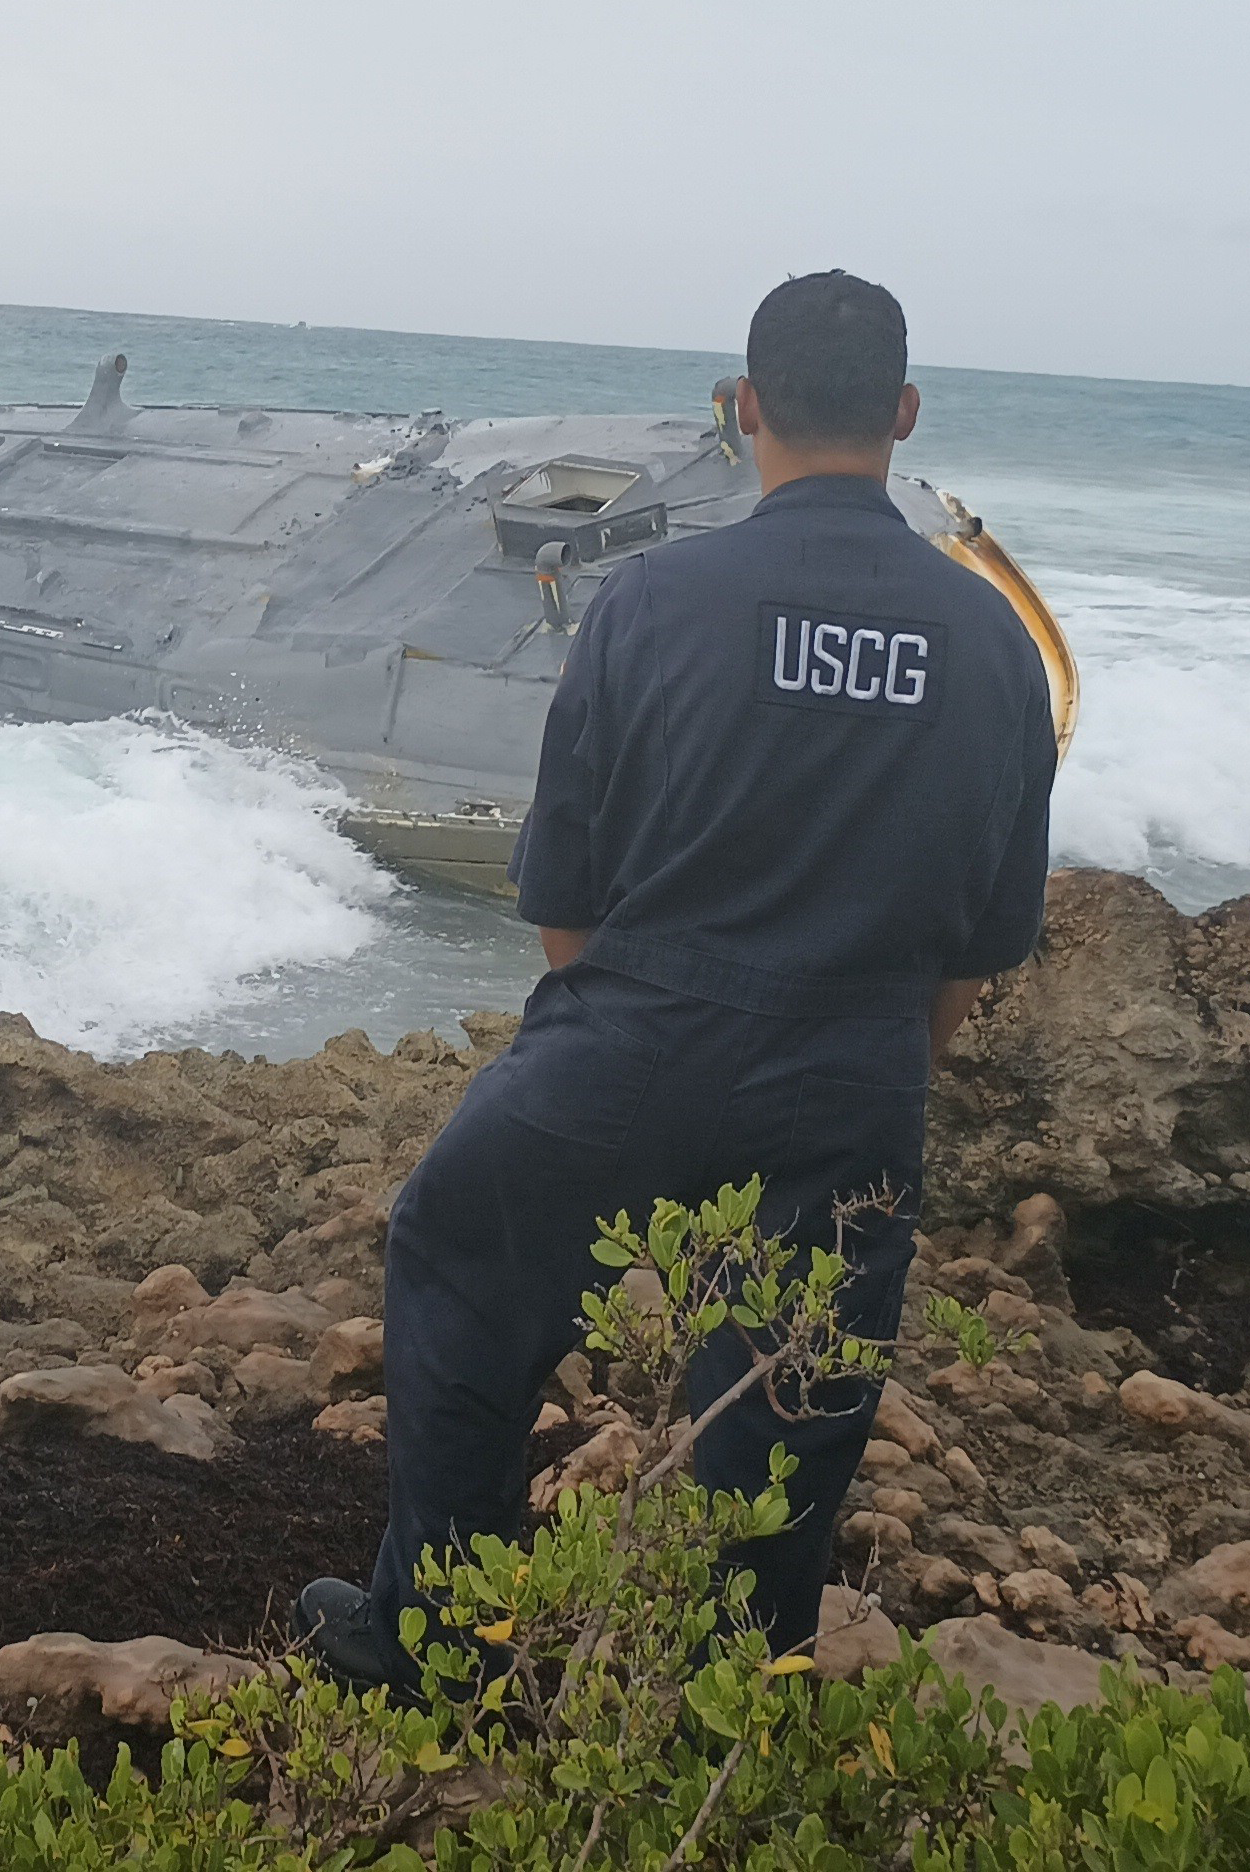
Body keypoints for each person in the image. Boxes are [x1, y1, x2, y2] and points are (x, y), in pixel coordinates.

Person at [297, 269, 1059, 1686]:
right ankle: (720, 1714)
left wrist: (647, 1047)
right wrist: (859, 1062)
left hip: (632, 1037)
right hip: (855, 1073)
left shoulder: (652, 600)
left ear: (745, 406)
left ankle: (436, 1642)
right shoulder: (995, 647)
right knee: (790, 1397)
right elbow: (981, 950)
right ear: (903, 414)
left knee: (460, 1248)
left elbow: (564, 901)